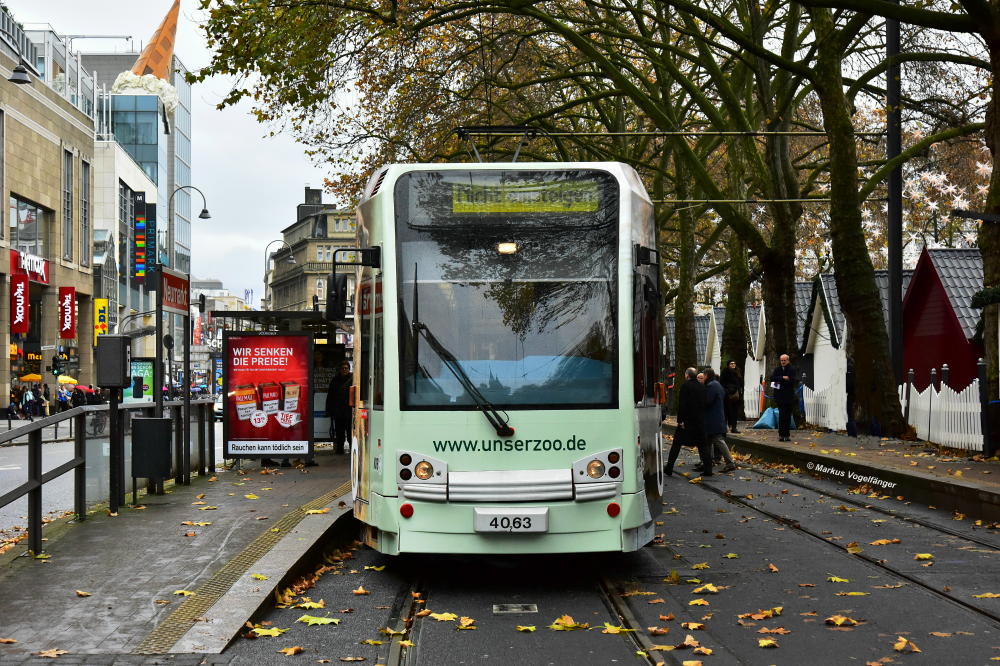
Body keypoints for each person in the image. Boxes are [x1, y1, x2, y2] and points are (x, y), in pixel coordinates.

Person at [665, 367, 712, 477]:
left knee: (676, 444)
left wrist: (680, 420)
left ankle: (669, 467)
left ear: (687, 375)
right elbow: (705, 403)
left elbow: (682, 405)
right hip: (699, 421)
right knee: (703, 445)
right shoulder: (702, 387)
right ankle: (708, 469)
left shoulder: (685, 386)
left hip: (687, 422)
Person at [701, 368, 737, 473]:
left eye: (703, 375)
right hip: (716, 417)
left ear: (707, 375)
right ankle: (708, 461)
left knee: (718, 440)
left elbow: (707, 401)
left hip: (713, 419)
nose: (703, 378)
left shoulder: (711, 386)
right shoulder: (717, 384)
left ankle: (730, 462)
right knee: (709, 441)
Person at [326, 360, 353, 455]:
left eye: (346, 368)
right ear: (340, 370)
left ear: (349, 369)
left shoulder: (353, 379)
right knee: (339, 431)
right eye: (343, 368)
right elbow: (330, 396)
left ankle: (351, 447)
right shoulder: (335, 380)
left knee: (350, 431)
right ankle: (340, 448)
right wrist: (329, 410)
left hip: (349, 411)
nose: (344, 370)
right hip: (338, 411)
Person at [769, 353, 798, 441]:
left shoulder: (792, 369)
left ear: (788, 360)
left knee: (787, 416)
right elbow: (772, 378)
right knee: (781, 415)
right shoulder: (777, 369)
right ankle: (781, 435)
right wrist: (783, 378)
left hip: (788, 396)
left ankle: (787, 435)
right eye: (781, 360)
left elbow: (792, 380)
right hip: (779, 396)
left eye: (784, 360)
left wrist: (783, 380)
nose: (783, 362)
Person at [720, 359, 743, 433]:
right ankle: (725, 427)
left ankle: (734, 427)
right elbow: (722, 382)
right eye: (731, 363)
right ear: (728, 364)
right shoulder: (725, 372)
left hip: (736, 395)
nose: (733, 365)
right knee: (726, 412)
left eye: (734, 363)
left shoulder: (738, 372)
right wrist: (727, 390)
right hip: (728, 395)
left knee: (735, 412)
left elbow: (740, 383)